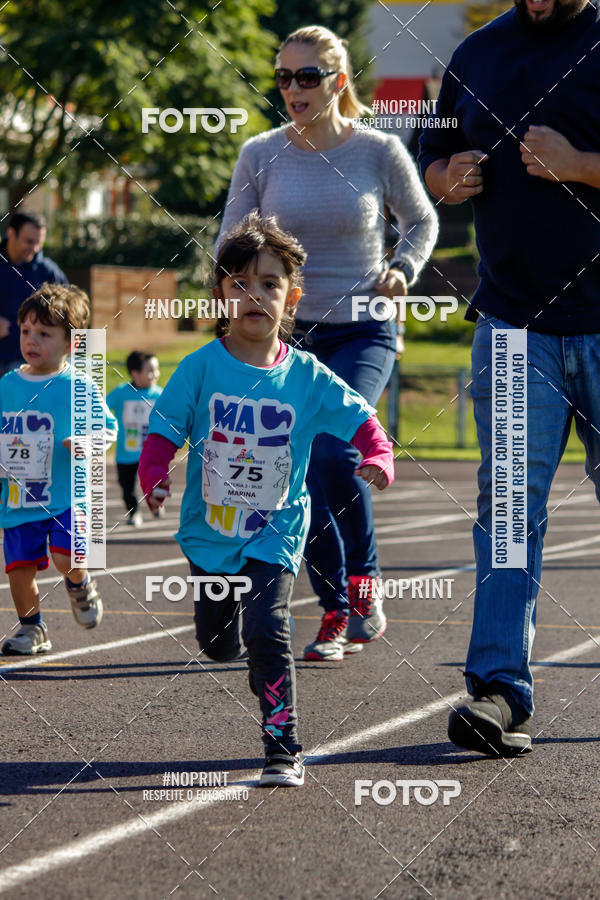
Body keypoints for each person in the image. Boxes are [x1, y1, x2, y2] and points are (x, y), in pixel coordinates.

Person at [138, 213, 395, 786]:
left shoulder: (306, 374)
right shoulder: (199, 367)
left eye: (270, 283)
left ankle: (283, 743)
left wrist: (377, 454)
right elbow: (163, 429)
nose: (255, 295)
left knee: (269, 627)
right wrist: (154, 472)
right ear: (220, 296)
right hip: (210, 534)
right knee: (218, 643)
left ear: (293, 297)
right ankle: (244, 650)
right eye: (240, 283)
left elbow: (360, 416)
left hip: (276, 527)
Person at [217, 25, 438, 663]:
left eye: (306, 77)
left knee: (335, 451)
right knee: (300, 465)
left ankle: (361, 590)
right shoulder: (260, 154)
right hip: (290, 334)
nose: (292, 89)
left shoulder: (377, 150)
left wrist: (403, 268)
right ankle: (336, 605)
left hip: (366, 328)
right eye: (283, 77)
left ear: (338, 81)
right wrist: (234, 294)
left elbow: (422, 218)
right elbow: (231, 240)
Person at [419, 0, 600, 756]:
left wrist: (582, 165)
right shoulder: (478, 52)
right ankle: (498, 689)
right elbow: (429, 161)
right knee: (507, 512)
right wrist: (446, 177)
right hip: (514, 326)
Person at [0, 283, 117, 656]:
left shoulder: (77, 386)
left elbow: (107, 428)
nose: (32, 340)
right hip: (18, 498)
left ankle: (80, 585)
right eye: (26, 331)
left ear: (70, 344)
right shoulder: (7, 384)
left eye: (44, 333)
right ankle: (32, 629)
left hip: (67, 496)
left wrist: (88, 443)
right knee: (18, 571)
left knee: (66, 558)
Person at [0, 211, 68, 376]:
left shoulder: (49, 273)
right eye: (29, 242)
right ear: (11, 234)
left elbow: (73, 315)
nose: (35, 248)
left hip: (33, 367)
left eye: (39, 243)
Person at [107, 351, 162, 526]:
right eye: (150, 370)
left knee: (154, 482)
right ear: (135, 373)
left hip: (151, 453)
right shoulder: (122, 392)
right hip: (126, 453)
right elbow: (102, 407)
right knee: (126, 486)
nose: (155, 375)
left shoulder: (159, 395)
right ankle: (134, 512)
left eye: (156, 369)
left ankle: (156, 503)